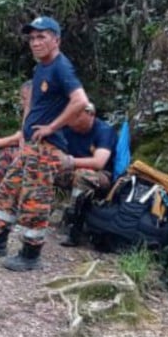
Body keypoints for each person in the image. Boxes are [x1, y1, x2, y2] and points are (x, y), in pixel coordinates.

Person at [0, 16, 90, 271]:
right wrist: (24, 131)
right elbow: (34, 103)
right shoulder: (41, 67)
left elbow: (80, 100)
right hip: (31, 145)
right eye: (32, 38)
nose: (35, 42)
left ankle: (31, 254)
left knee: (35, 198)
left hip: (47, 147)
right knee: (7, 190)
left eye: (41, 36)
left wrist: (52, 127)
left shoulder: (60, 66)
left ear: (56, 39)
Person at [58, 102, 117, 246]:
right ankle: (32, 213)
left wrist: (69, 161)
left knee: (83, 175)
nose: (74, 120)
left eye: (78, 116)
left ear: (91, 115)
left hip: (100, 175)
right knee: (42, 168)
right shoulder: (66, 128)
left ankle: (74, 226)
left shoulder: (104, 131)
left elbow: (99, 162)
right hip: (70, 169)